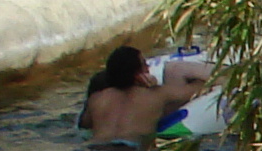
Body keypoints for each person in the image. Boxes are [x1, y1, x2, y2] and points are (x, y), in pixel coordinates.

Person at [79, 45, 212, 142]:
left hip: (96, 150)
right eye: (145, 65)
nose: (149, 68)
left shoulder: (97, 99)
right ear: (138, 74)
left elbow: (84, 125)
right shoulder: (157, 94)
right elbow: (198, 90)